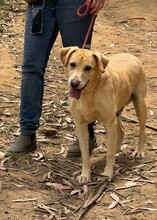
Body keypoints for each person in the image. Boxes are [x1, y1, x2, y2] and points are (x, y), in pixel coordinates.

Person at [5, 0, 106, 157]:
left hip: (75, 3)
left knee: (82, 67)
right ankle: (27, 133)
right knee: (31, 68)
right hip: (40, 3)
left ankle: (86, 133)